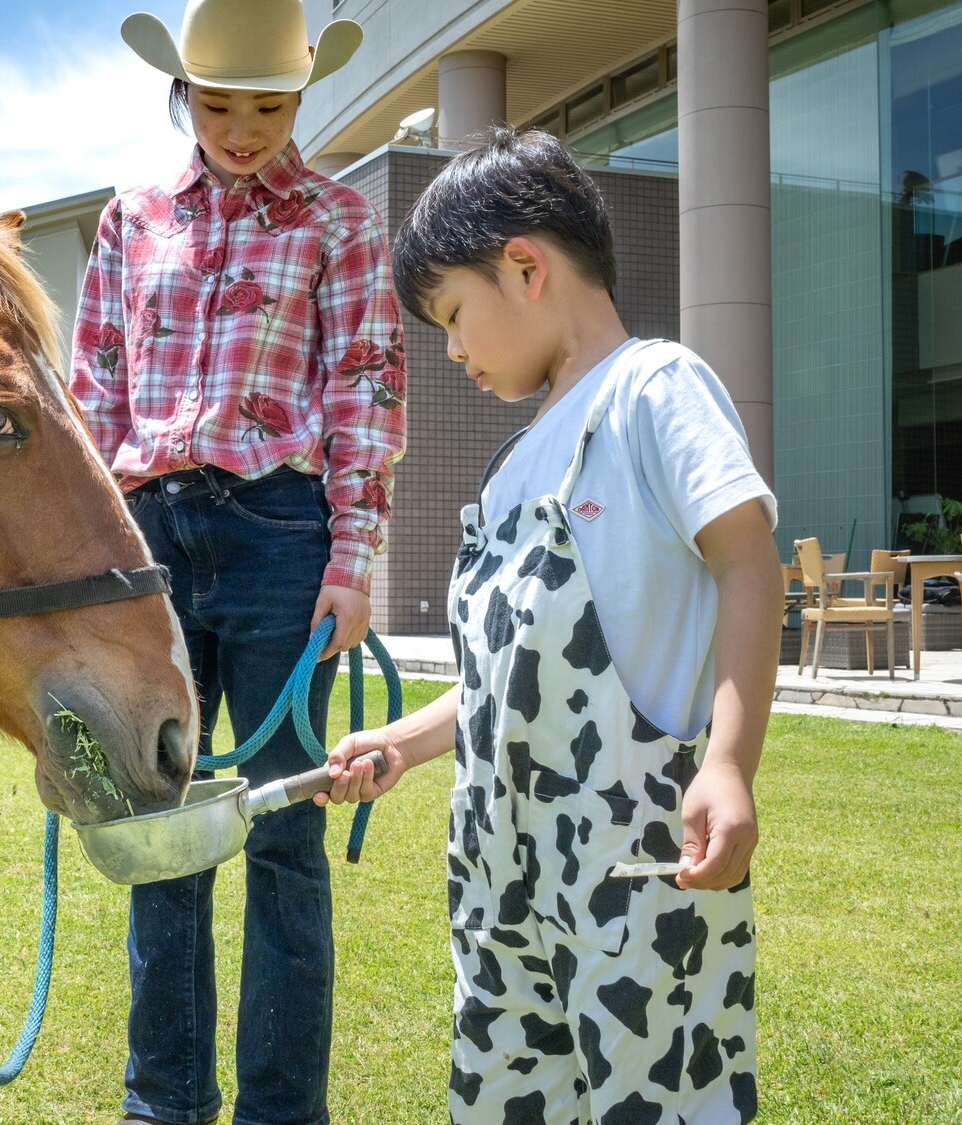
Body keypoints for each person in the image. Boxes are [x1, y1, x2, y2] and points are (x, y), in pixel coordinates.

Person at [313, 128, 780, 1123]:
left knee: (655, 1100)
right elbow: (504, 677)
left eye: (450, 314)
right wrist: (407, 740)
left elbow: (746, 563)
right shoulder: (511, 463)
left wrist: (728, 764)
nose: (450, 350)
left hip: (634, 873)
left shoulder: (655, 390)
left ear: (522, 266)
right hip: (496, 879)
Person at [70, 2, 405, 1121]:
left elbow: (361, 389)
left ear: (302, 99)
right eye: (218, 104)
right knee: (161, 838)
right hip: (149, 545)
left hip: (279, 540)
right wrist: (91, 561)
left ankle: (278, 1109)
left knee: (281, 840)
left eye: (269, 105)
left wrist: (351, 559)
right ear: (182, 95)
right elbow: (95, 395)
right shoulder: (129, 218)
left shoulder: (339, 220)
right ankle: (162, 1104)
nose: (243, 127)